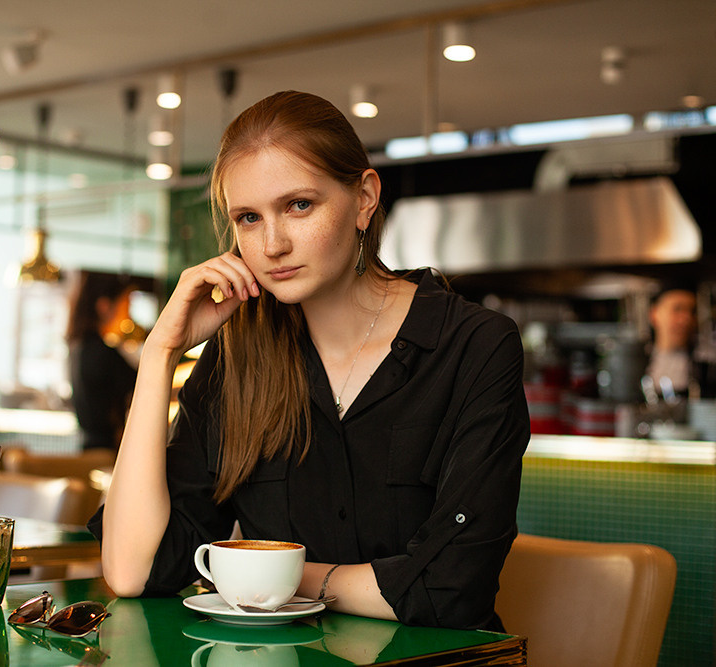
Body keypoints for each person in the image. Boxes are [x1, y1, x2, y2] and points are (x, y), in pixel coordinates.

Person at [89, 91, 530, 631]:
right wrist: (161, 354)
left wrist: (275, 576)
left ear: (365, 198)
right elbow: (135, 571)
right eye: (248, 218)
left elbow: (453, 585)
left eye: (299, 205)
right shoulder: (239, 354)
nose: (272, 244)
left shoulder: (475, 345)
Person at [66, 271, 139, 451]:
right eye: (126, 304)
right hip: (105, 451)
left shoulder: (79, 346)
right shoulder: (101, 352)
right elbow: (145, 383)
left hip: (89, 449)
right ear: (104, 306)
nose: (129, 313)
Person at [645, 285, 698, 397]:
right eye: (677, 309)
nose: (686, 319)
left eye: (692, 311)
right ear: (654, 314)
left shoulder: (706, 369)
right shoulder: (637, 363)